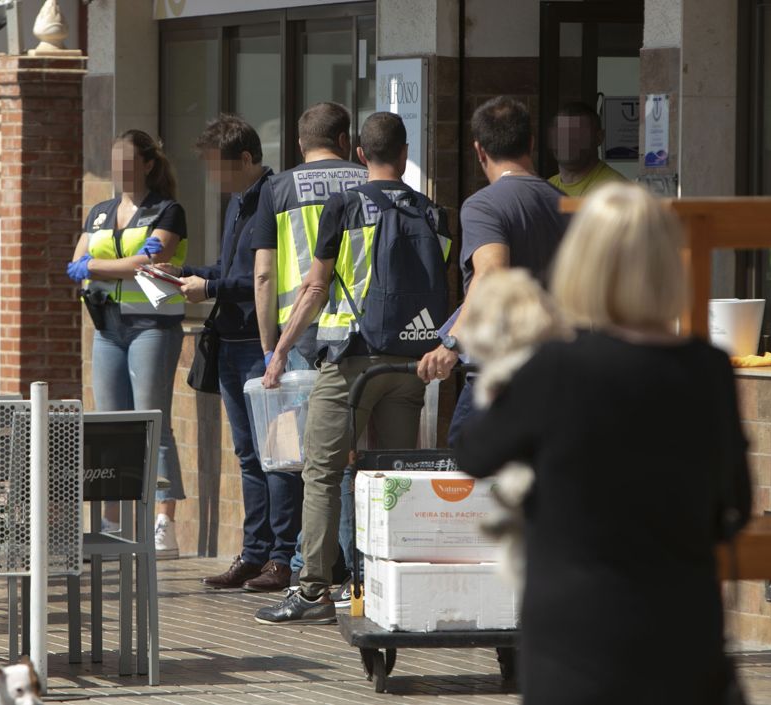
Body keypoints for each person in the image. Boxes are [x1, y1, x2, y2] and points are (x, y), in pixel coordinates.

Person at [456, 182, 751, 705]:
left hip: (577, 638)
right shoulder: (709, 369)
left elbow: (474, 451)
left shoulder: (556, 367)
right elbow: (737, 505)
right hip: (684, 633)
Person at [255, 112, 450, 625]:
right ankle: (388, 587)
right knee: (394, 476)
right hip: (410, 365)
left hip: (349, 360)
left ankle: (314, 590)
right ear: (405, 153)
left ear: (360, 154)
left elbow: (315, 288)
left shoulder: (344, 205)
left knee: (322, 473)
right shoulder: (433, 213)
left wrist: (279, 350)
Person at [157, 115, 298, 592]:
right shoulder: (238, 200)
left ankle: (282, 556)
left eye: (219, 168)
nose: (214, 179)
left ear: (245, 159)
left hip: (263, 346)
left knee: (277, 455)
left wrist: (210, 285)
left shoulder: (273, 196)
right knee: (248, 455)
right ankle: (255, 553)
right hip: (233, 343)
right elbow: (231, 266)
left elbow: (268, 277)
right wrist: (185, 273)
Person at [250, 102, 367, 595]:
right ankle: (352, 569)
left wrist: (270, 347)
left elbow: (262, 274)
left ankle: (319, 564)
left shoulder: (277, 189)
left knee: (308, 459)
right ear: (344, 140)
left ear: (300, 145)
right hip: (357, 333)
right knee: (348, 457)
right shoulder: (367, 180)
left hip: (298, 336)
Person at [417, 96, 568, 446]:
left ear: (479, 150)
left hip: (501, 370)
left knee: (467, 463)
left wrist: (452, 342)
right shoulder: (566, 204)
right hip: (559, 370)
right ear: (531, 143)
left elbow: (490, 273)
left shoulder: (483, 206)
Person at [68, 129, 187, 559]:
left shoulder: (167, 211)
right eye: (114, 160)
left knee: (152, 423)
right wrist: (112, 267)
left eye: (127, 161)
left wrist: (97, 266)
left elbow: (147, 263)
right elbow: (76, 265)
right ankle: (111, 522)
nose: (119, 169)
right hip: (107, 329)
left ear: (148, 165)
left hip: (151, 326)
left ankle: (163, 523)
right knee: (109, 427)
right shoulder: (99, 212)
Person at [547, 101, 625, 196]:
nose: (567, 141)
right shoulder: (547, 188)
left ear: (599, 138)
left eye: (576, 134)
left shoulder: (615, 191)